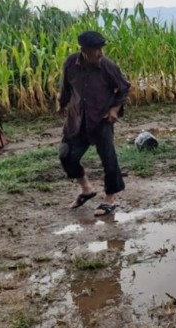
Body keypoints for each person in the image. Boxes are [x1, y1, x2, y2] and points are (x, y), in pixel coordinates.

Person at [57, 30, 130, 216]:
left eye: (101, 48)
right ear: (83, 50)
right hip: (77, 119)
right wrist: (61, 104)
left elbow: (123, 88)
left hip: (101, 120)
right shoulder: (71, 64)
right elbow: (66, 87)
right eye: (95, 49)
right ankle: (87, 189)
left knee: (108, 158)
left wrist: (114, 109)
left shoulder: (107, 66)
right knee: (66, 155)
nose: (100, 53)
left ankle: (110, 199)